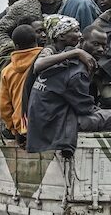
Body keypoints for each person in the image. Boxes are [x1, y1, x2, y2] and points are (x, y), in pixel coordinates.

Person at [27, 25, 111, 154]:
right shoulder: (78, 72)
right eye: (95, 44)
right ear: (82, 41)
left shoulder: (62, 56)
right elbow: (84, 108)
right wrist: (99, 110)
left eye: (104, 46)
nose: (101, 50)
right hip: (55, 126)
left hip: (41, 121)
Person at [0, 24, 43, 141]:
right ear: (36, 41)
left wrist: (14, 129)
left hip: (23, 129)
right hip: (46, 125)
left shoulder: (7, 71)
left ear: (16, 46)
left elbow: (4, 108)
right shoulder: (46, 61)